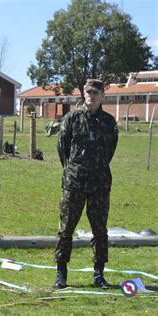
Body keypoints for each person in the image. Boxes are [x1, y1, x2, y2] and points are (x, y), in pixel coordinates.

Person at [54, 79, 119, 290]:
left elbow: (110, 151)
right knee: (66, 229)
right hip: (74, 182)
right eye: (88, 92)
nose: (91, 96)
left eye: (96, 92)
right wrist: (73, 169)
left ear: (102, 95)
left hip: (99, 183)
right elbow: (62, 149)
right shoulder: (71, 119)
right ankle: (61, 274)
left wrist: (96, 168)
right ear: (83, 93)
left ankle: (99, 274)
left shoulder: (109, 122)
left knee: (100, 231)